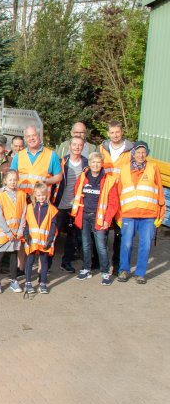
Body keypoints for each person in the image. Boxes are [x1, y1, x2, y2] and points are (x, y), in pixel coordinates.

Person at [117, 141, 164, 284]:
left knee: (146, 244)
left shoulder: (153, 168)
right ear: (133, 154)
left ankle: (140, 273)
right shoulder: (124, 169)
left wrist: (160, 214)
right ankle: (124, 270)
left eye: (143, 152)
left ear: (147, 153)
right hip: (128, 214)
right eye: (138, 152)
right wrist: (119, 215)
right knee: (126, 244)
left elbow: (160, 192)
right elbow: (118, 193)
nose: (141, 155)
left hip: (148, 215)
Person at [71, 152, 119, 285]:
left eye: (98, 162)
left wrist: (107, 219)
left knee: (101, 246)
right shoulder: (83, 178)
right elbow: (77, 193)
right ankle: (86, 269)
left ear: (102, 164)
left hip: (99, 218)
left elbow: (113, 203)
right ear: (89, 163)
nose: (96, 165)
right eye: (93, 162)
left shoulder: (109, 180)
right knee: (86, 245)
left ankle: (105, 272)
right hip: (84, 216)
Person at [100, 121, 134, 270]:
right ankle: (101, 263)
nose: (115, 135)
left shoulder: (130, 150)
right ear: (108, 134)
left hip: (122, 197)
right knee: (103, 230)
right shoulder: (103, 148)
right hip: (105, 196)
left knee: (120, 233)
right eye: (112, 132)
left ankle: (117, 263)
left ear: (122, 132)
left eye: (117, 132)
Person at [51, 136, 88, 273]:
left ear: (83, 147)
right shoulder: (62, 162)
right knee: (54, 235)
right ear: (69, 146)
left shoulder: (86, 164)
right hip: (60, 205)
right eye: (74, 144)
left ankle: (66, 262)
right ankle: (47, 264)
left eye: (80, 145)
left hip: (77, 206)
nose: (77, 147)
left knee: (72, 237)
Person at [0, 170, 26, 294]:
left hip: (16, 234)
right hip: (3, 234)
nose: (13, 182)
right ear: (5, 181)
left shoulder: (22, 195)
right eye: (10, 180)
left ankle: (14, 281)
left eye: (15, 180)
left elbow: (24, 213)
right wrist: (8, 233)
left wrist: (20, 230)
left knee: (13, 257)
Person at [24, 183, 58, 294]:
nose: (41, 197)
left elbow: (53, 226)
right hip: (32, 240)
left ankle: (43, 283)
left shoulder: (51, 209)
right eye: (38, 195)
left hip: (45, 240)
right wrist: (26, 235)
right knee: (29, 261)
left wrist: (50, 239)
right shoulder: (29, 208)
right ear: (34, 196)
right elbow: (26, 223)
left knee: (44, 262)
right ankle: (28, 283)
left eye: (43, 195)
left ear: (47, 195)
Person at [12, 125, 62, 197]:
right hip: (22, 199)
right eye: (28, 136)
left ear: (39, 136)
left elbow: (58, 177)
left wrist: (47, 181)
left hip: (41, 200)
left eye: (34, 135)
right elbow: (11, 177)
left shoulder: (51, 155)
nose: (31, 138)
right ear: (25, 139)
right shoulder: (18, 156)